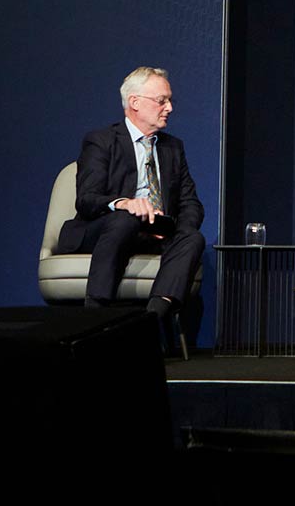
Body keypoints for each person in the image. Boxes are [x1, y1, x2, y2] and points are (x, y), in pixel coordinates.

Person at [58, 66, 206, 329]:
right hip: (105, 229)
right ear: (134, 102)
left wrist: (171, 229)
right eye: (162, 101)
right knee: (124, 220)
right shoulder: (101, 141)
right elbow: (87, 199)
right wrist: (123, 204)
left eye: (170, 100)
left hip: (155, 233)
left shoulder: (173, 147)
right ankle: (96, 317)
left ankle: (152, 319)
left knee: (192, 237)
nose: (169, 108)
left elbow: (190, 203)